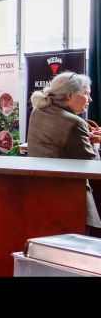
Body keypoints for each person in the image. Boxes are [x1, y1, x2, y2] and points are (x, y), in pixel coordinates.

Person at [27, 72, 101, 229]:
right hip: (71, 199)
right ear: (69, 95)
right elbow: (93, 165)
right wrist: (96, 144)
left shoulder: (37, 113)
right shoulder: (75, 123)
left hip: (40, 195)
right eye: (86, 93)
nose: (90, 99)